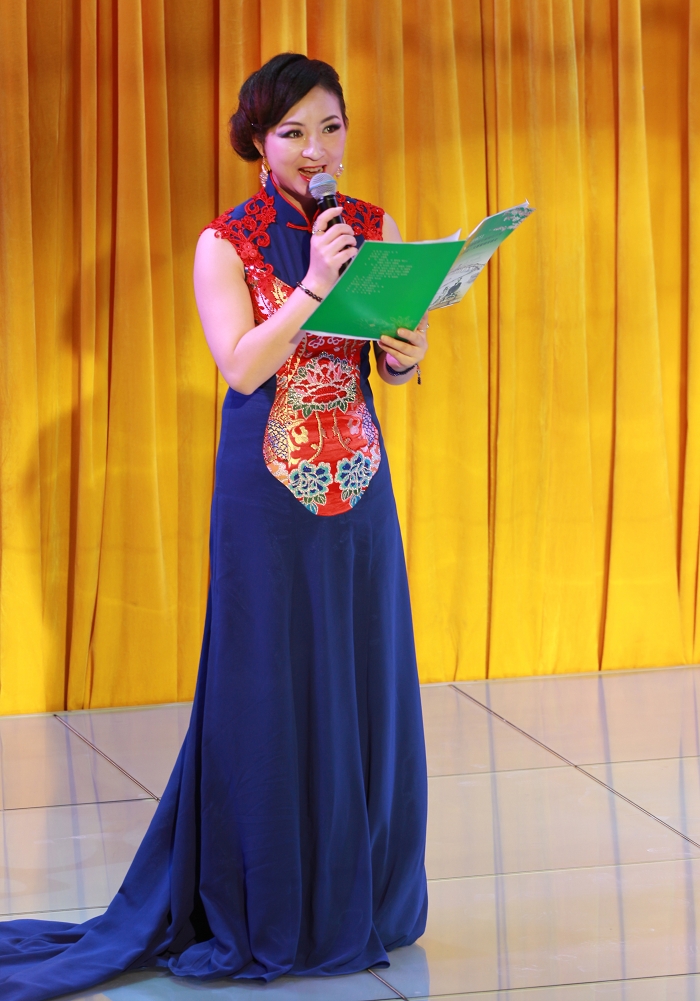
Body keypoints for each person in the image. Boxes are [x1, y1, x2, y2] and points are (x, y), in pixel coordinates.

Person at [0, 52, 428, 1000]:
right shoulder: (224, 243)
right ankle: (266, 902)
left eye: (329, 128)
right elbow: (241, 366)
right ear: (258, 143)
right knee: (268, 682)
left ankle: (364, 896)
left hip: (358, 486)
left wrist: (408, 351)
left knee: (364, 675)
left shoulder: (377, 228)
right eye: (293, 133)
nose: (315, 150)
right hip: (265, 492)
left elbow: (386, 366)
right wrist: (316, 286)